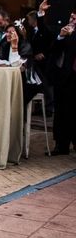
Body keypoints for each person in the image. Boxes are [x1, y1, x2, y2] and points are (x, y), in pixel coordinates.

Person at [47, 8, 76, 155]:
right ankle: (61, 145)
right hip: (65, 77)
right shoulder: (65, 31)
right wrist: (61, 37)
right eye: (71, 16)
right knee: (61, 111)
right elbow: (54, 50)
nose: (72, 19)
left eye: (75, 17)